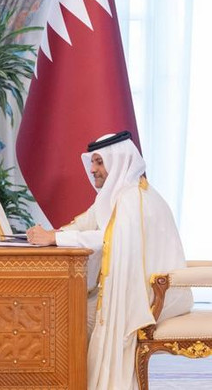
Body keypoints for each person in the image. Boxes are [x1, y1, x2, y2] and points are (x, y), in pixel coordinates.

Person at [26, 131, 192, 390]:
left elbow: (107, 238)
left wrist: (54, 240)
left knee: (69, 315)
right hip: (134, 285)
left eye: (99, 162)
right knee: (65, 308)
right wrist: (51, 234)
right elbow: (87, 222)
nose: (92, 169)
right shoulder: (118, 194)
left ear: (118, 162)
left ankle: (70, 382)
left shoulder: (132, 199)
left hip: (152, 295)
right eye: (92, 162)